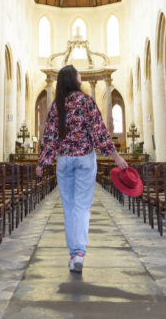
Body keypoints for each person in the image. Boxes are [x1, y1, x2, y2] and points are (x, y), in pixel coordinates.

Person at [37, 65, 128, 273]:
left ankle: (73, 254)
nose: (81, 75)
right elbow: (98, 131)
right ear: (73, 79)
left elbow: (49, 137)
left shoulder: (57, 105)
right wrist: (114, 155)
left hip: (64, 160)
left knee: (69, 208)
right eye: (78, 73)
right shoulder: (86, 101)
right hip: (84, 158)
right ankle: (79, 254)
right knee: (82, 207)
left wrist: (42, 162)